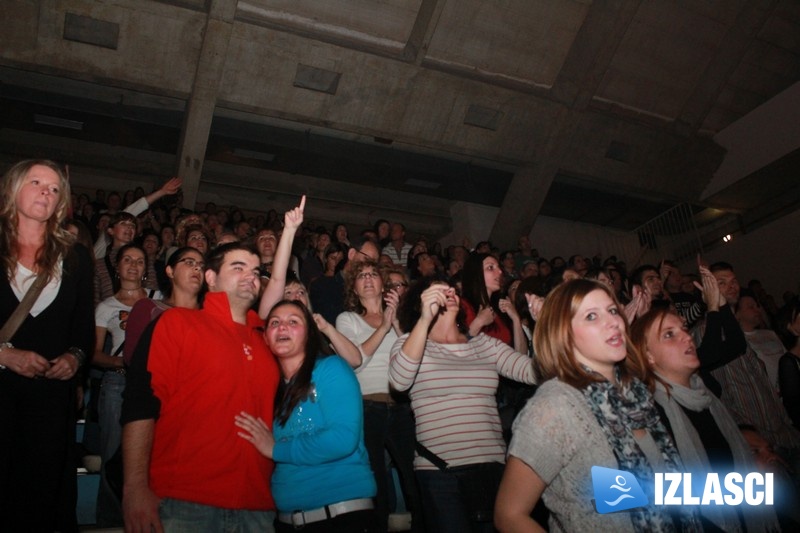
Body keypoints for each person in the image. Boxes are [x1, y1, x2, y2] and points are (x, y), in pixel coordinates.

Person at [495, 279, 698, 532]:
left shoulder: (638, 397)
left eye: (613, 311)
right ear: (563, 334)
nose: (613, 321)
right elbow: (509, 515)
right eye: (591, 316)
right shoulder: (555, 406)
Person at [120, 242, 279, 532]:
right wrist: (134, 488)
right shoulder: (176, 323)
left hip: (258, 505)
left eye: (256, 271)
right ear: (210, 278)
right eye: (238, 267)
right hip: (184, 502)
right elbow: (141, 404)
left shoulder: (268, 341)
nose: (251, 276)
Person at [390, 277, 535, 532]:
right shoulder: (408, 344)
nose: (448, 292)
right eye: (437, 289)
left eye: (451, 289)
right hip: (440, 472)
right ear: (419, 302)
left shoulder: (483, 344)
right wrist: (424, 319)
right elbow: (399, 382)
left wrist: (550, 324)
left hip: (492, 467)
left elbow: (532, 372)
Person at [0, 159, 94, 532]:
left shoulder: (76, 256)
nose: (46, 191)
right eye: (37, 182)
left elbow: (82, 326)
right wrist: (4, 355)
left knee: (42, 494)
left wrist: (75, 357)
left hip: (51, 398)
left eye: (55, 188)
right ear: (13, 189)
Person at [630, 307, 780, 532]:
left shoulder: (708, 400)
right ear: (648, 355)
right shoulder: (650, 416)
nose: (687, 336)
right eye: (669, 334)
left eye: (684, 328)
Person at [236, 300, 378, 532]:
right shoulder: (269, 389)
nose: (282, 327)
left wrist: (276, 449)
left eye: (293, 321)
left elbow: (342, 439)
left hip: (340, 515)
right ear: (265, 337)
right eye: (274, 323)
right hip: (285, 520)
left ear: (310, 334)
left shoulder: (331, 369)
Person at [337, 260, 423, 532]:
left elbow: (413, 354)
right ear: (354, 287)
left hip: (402, 406)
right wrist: (383, 327)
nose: (368, 279)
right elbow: (356, 360)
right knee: (375, 480)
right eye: (360, 276)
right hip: (367, 406)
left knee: (414, 479)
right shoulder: (346, 319)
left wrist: (396, 321)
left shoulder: (399, 317)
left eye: (373, 274)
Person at [93, 243, 155, 526]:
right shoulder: (106, 306)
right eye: (127, 260)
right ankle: (111, 522)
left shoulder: (159, 300)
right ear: (117, 268)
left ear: (145, 269)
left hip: (153, 387)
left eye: (139, 261)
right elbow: (94, 353)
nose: (133, 265)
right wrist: (124, 363)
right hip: (118, 385)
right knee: (113, 457)